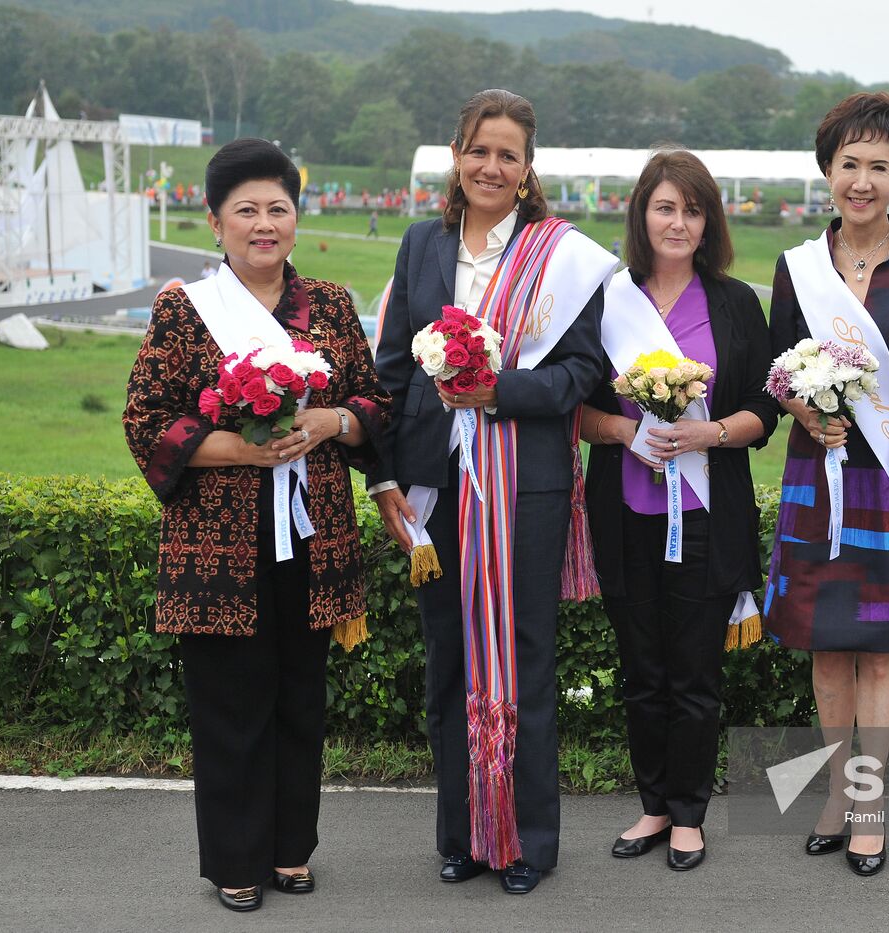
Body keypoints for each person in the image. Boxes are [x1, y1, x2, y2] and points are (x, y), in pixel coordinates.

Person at [123, 137, 388, 913]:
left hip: (314, 536)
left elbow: (376, 404)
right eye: (247, 210)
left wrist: (333, 420)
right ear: (215, 222)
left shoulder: (333, 306)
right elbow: (146, 422)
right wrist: (239, 447)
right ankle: (236, 858)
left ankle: (290, 849)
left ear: (297, 221)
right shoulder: (184, 310)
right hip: (219, 546)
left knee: (301, 697)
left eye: (278, 208)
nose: (263, 224)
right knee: (230, 701)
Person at [368, 89, 614, 896]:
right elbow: (393, 374)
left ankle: (527, 842)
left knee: (524, 662)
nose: (491, 166)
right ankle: (464, 836)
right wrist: (387, 475)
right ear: (456, 155)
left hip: (526, 489)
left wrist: (496, 392)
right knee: (450, 665)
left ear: (528, 168)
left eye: (508, 154)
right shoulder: (421, 246)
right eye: (479, 150)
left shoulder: (559, 257)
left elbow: (582, 374)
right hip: (438, 491)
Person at [763, 92, 889, 877]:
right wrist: (805, 417)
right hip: (821, 471)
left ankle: (872, 801)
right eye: (850, 163)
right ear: (827, 170)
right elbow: (779, 373)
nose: (863, 180)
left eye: (880, 166)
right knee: (825, 641)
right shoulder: (798, 267)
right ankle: (839, 792)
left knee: (880, 651)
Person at [580, 149, 779, 872]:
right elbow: (578, 410)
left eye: (692, 209)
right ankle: (654, 804)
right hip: (625, 512)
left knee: (694, 672)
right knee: (643, 671)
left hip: (705, 511)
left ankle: (690, 812)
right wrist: (626, 432)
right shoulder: (606, 303)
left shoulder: (733, 303)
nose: (678, 221)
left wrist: (711, 432)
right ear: (642, 214)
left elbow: (766, 407)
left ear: (709, 221)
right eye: (665, 207)